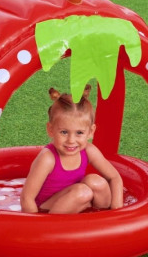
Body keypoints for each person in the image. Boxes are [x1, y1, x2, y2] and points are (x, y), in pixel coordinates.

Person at [21, 84, 124, 214]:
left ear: (91, 131)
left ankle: (102, 218)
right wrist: (38, 224)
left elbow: (115, 177)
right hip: (48, 211)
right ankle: (56, 225)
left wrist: (118, 212)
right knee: (83, 192)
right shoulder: (48, 158)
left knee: (97, 182)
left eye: (79, 133)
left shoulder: (89, 151)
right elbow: (26, 198)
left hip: (79, 201)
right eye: (64, 132)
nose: (71, 140)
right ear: (51, 129)